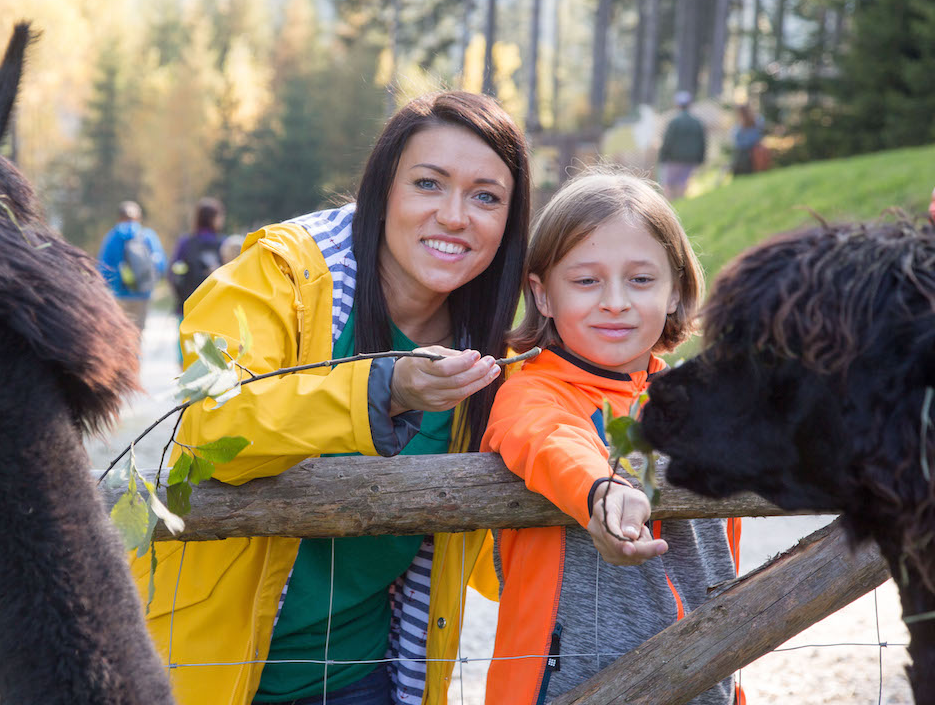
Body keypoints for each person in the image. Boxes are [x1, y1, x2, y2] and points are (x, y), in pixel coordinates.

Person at [130, 91, 532, 705]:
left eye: (486, 197)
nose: (455, 216)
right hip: (201, 671)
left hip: (360, 679)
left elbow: (501, 556)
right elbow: (212, 419)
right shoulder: (275, 273)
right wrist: (383, 389)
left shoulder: (487, 356)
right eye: (428, 183)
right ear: (382, 192)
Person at [480, 171, 741, 705]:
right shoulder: (530, 393)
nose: (615, 302)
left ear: (675, 291)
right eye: (586, 281)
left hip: (707, 683)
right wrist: (600, 490)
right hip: (565, 687)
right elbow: (548, 436)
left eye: (641, 279)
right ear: (542, 295)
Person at [97, 200, 166, 337]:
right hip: (143, 293)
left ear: (119, 218)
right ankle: (136, 351)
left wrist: (106, 287)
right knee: (138, 333)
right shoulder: (148, 236)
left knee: (121, 334)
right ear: (138, 217)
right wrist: (152, 282)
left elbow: (103, 266)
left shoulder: (112, 237)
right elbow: (160, 264)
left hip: (120, 294)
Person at [169, 197, 227, 317]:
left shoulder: (185, 242)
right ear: (213, 218)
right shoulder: (223, 244)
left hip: (188, 305)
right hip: (217, 306)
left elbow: (173, 272)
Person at [657, 91, 707, 199]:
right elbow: (702, 142)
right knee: (682, 183)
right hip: (690, 159)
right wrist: (701, 159)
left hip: (673, 159)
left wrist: (662, 157)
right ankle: (680, 203)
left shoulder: (674, 122)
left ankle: (669, 205)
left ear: (678, 105)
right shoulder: (697, 122)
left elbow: (668, 141)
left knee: (668, 184)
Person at [731, 104, 765, 176]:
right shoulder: (739, 127)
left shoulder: (756, 121)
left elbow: (736, 141)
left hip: (750, 151)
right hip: (748, 151)